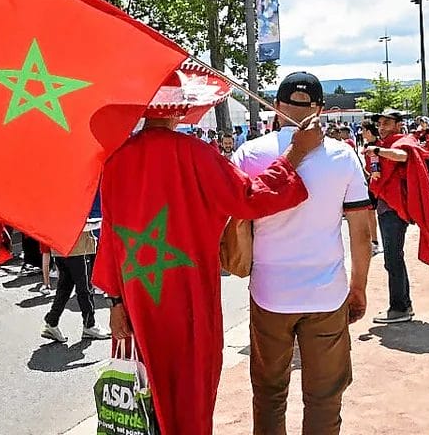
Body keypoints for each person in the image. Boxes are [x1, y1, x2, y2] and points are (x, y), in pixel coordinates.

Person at [94, 67, 322, 435]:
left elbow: (111, 236)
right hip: (189, 299)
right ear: (180, 109)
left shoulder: (117, 160)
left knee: (145, 393)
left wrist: (114, 302)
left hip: (138, 298)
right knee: (190, 393)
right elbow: (249, 198)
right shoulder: (197, 154)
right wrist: (296, 153)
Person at [233, 72, 373, 435]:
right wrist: (358, 287)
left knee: (268, 391)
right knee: (326, 394)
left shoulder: (249, 153)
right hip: (327, 293)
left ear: (277, 107)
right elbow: (361, 231)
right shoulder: (343, 156)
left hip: (270, 292)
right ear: (321, 110)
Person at [365, 109, 429, 325]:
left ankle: (400, 307)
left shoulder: (402, 141)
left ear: (399, 124)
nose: (381, 127)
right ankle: (403, 304)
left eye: (387, 123)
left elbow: (402, 156)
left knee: (393, 258)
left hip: (394, 208)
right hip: (386, 207)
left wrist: (377, 150)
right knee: (393, 258)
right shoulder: (386, 144)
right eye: (380, 123)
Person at [41, 191, 108, 342]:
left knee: (64, 289)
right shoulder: (71, 200)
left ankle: (52, 321)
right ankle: (89, 325)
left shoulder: (54, 201)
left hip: (61, 251)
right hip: (79, 250)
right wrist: (102, 221)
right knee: (84, 288)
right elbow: (82, 226)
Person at [360, 120, 383, 256]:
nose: (361, 133)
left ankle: (377, 241)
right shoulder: (366, 146)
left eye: (363, 130)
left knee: (380, 213)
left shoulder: (380, 146)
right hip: (370, 183)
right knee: (370, 213)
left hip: (379, 184)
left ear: (368, 131)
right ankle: (374, 241)